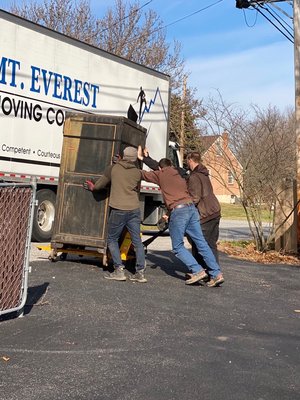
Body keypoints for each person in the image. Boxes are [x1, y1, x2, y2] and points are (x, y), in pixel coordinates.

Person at [137, 146, 224, 287]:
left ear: (160, 168)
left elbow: (142, 174)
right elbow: (160, 167)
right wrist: (147, 158)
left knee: (177, 246)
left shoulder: (160, 174)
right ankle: (216, 273)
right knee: (201, 243)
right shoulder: (179, 172)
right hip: (191, 209)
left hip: (179, 210)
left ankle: (197, 270)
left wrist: (132, 161)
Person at [83, 146, 146, 283]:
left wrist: (92, 187)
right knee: (137, 241)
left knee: (112, 239)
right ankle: (140, 273)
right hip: (134, 209)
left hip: (118, 209)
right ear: (135, 158)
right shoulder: (137, 173)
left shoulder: (113, 168)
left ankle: (119, 270)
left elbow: (99, 185)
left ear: (122, 156)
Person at [186, 152, 221, 273]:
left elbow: (195, 197)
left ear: (190, 160)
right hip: (215, 211)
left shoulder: (194, 177)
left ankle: (201, 271)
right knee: (211, 243)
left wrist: (184, 208)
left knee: (200, 244)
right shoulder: (204, 174)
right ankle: (214, 271)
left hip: (205, 214)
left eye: (187, 160)